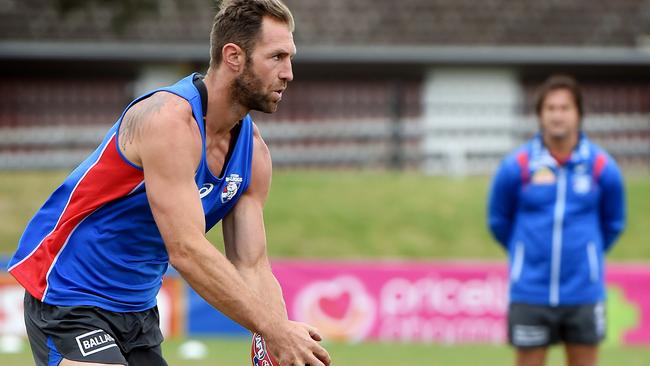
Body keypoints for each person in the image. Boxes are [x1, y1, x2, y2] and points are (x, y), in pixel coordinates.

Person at [7, 1, 331, 365]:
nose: (288, 73)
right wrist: (272, 328)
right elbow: (187, 250)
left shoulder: (254, 154)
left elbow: (252, 264)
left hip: (139, 311)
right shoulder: (168, 121)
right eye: (277, 57)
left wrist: (277, 342)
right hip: (69, 295)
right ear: (234, 56)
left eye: (290, 58)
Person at [488, 75, 626, 366]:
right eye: (550, 108)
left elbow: (613, 223)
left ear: (578, 114)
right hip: (530, 289)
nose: (557, 115)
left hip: (583, 290)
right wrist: (524, 252)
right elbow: (499, 221)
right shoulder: (518, 165)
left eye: (564, 108)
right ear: (540, 114)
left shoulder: (601, 167)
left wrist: (587, 253)